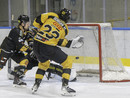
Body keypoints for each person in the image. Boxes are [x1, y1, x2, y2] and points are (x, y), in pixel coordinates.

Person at [31, 8, 84, 96]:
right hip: (48, 47)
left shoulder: (51, 15)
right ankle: (65, 87)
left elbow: (36, 22)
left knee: (44, 65)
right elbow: (59, 41)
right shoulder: (65, 29)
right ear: (67, 18)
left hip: (36, 44)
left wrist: (41, 28)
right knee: (68, 62)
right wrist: (70, 43)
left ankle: (36, 85)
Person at [0, 15, 34, 86]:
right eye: (27, 23)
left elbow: (29, 37)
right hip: (6, 49)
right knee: (1, 65)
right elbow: (21, 46)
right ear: (22, 23)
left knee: (24, 60)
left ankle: (17, 79)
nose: (29, 25)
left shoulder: (26, 31)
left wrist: (31, 43)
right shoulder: (15, 31)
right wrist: (30, 50)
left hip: (15, 51)